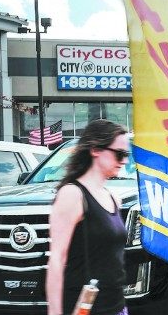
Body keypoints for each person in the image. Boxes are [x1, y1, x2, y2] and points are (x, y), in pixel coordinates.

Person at [46, 119, 130, 315]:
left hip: (117, 306)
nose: (124, 161)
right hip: (85, 308)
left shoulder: (113, 198)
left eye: (126, 154)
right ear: (95, 150)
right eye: (119, 154)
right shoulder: (72, 194)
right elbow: (57, 259)